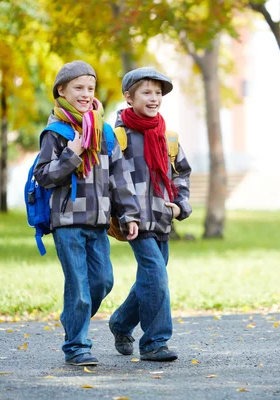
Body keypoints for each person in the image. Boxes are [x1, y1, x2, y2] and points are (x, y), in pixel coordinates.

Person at [33, 60, 140, 366]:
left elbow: (120, 178)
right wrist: (73, 153)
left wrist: (128, 214)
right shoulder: (55, 132)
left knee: (103, 281)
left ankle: (71, 319)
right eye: (78, 87)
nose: (85, 93)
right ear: (62, 91)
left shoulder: (105, 132)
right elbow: (44, 176)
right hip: (67, 222)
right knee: (79, 287)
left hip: (98, 223)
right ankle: (77, 346)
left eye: (89, 88)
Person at [108, 67, 192, 362]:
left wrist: (181, 205)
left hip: (162, 217)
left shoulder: (167, 135)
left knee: (150, 278)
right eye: (146, 92)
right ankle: (155, 342)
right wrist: (127, 214)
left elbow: (181, 172)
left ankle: (120, 322)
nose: (154, 98)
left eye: (158, 92)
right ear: (129, 97)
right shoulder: (117, 136)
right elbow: (115, 179)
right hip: (134, 220)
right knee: (156, 275)